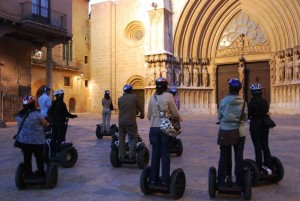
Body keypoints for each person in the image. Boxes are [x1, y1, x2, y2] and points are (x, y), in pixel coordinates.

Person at [147, 77, 181, 186]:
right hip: (165, 128)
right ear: (166, 87)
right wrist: (177, 119)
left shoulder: (152, 98)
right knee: (165, 153)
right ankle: (165, 180)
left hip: (153, 128)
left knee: (155, 153)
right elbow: (175, 113)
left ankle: (153, 179)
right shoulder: (169, 96)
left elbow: (148, 116)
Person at [217, 78, 248, 187]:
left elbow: (219, 116)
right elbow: (245, 117)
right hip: (239, 132)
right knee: (239, 157)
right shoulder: (243, 102)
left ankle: (222, 179)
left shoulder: (224, 101)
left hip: (225, 131)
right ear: (239, 90)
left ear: (229, 88)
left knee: (224, 155)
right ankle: (239, 181)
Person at [15, 95, 49, 178]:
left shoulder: (19, 115)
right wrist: (47, 124)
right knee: (39, 157)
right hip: (37, 141)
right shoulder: (37, 114)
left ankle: (28, 173)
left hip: (24, 141)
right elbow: (45, 123)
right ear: (33, 104)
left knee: (27, 157)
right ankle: (41, 173)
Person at [248, 83, 272, 174]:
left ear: (252, 93)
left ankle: (258, 166)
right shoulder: (265, 102)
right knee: (265, 145)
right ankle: (268, 164)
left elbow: (248, 115)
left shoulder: (251, 103)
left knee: (257, 146)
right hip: (265, 125)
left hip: (255, 125)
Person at [118, 84, 144, 160]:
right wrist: (142, 114)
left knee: (121, 138)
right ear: (131, 90)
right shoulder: (134, 97)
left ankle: (122, 155)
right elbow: (140, 107)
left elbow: (122, 109)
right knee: (133, 137)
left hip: (121, 122)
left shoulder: (120, 99)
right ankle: (131, 155)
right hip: (130, 122)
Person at [48, 89, 77, 154]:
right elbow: (66, 113)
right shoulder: (62, 104)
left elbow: (49, 113)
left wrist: (52, 120)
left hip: (54, 123)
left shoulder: (53, 103)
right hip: (60, 123)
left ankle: (53, 151)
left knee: (54, 136)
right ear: (60, 96)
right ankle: (59, 151)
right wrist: (73, 116)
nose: (63, 97)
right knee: (60, 137)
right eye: (63, 96)